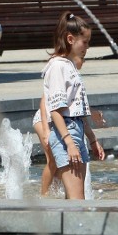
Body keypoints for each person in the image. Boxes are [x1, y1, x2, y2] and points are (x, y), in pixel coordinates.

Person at [42, 11, 105, 200]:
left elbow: (76, 110)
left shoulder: (69, 66)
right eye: (84, 42)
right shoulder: (58, 67)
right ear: (70, 39)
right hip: (67, 134)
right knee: (78, 203)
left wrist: (92, 139)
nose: (87, 47)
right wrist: (69, 143)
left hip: (75, 130)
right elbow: (55, 111)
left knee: (75, 202)